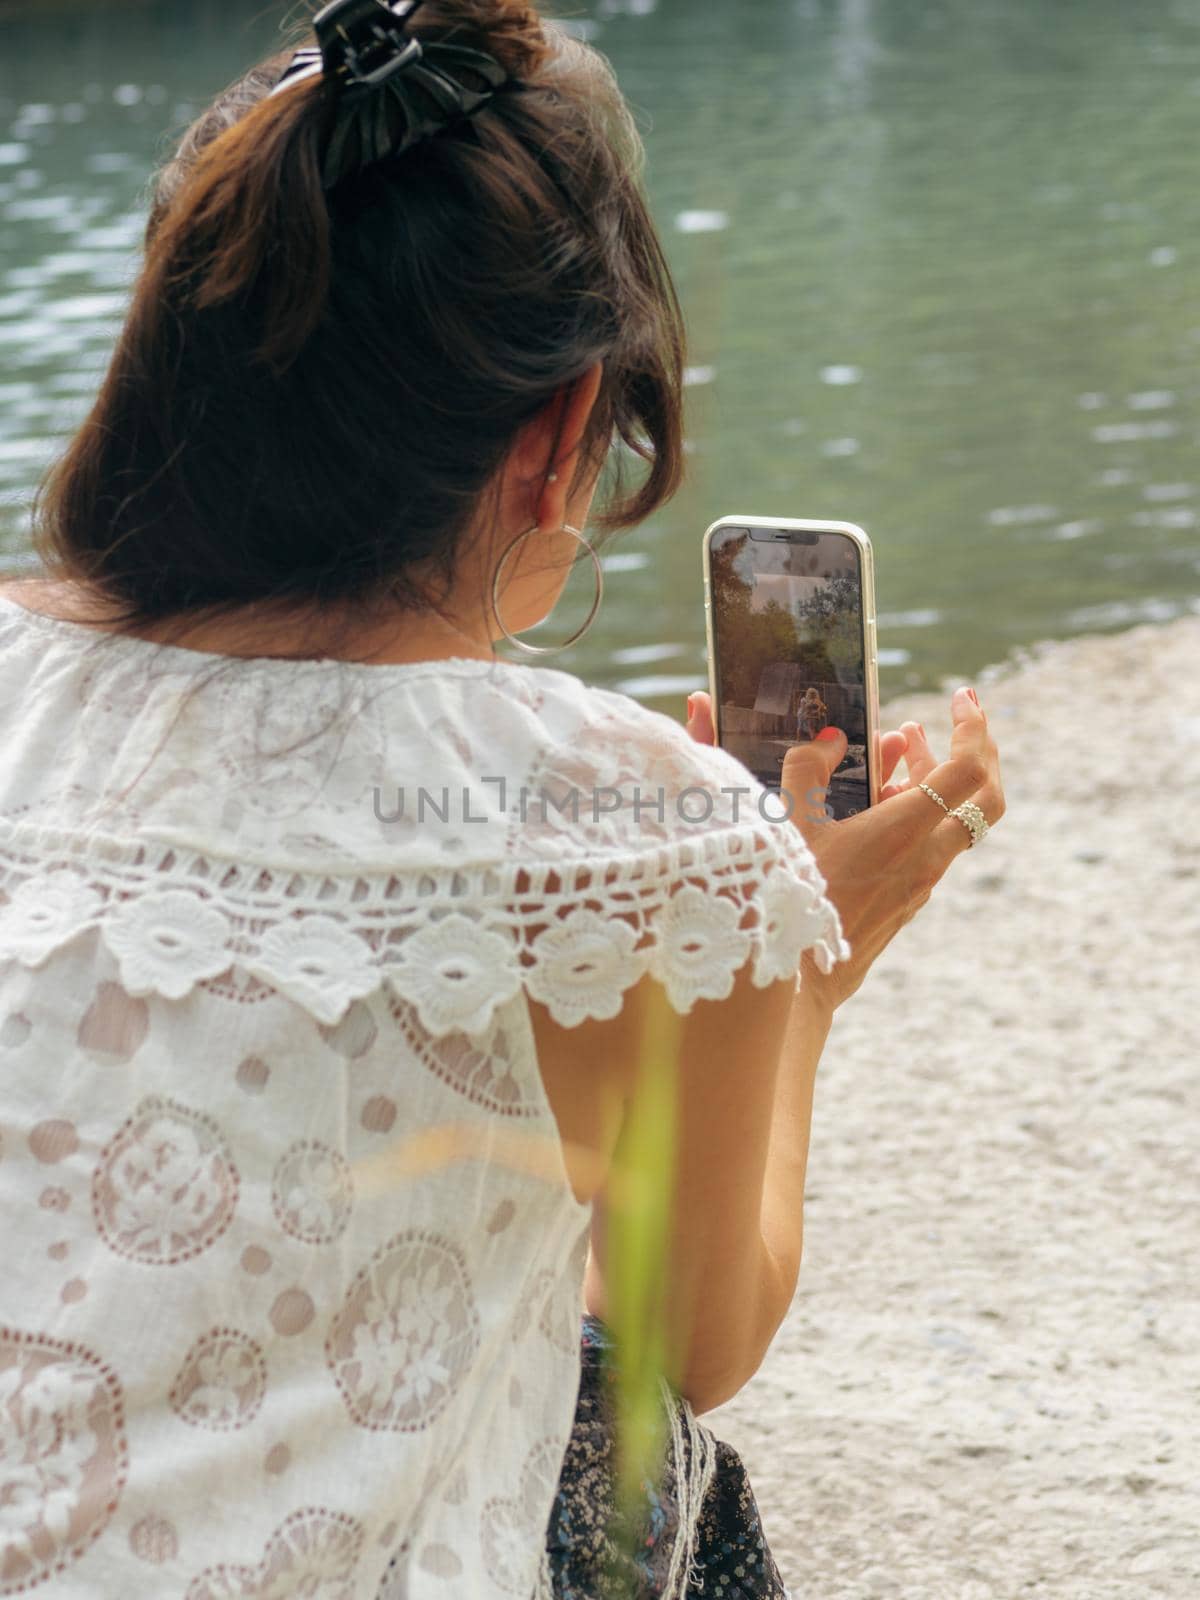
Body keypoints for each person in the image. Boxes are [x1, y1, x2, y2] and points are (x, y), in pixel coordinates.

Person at [0, 3, 1005, 1597]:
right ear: (557, 436)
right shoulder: (626, 832)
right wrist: (801, 962)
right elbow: (694, 1331)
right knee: (652, 1450)